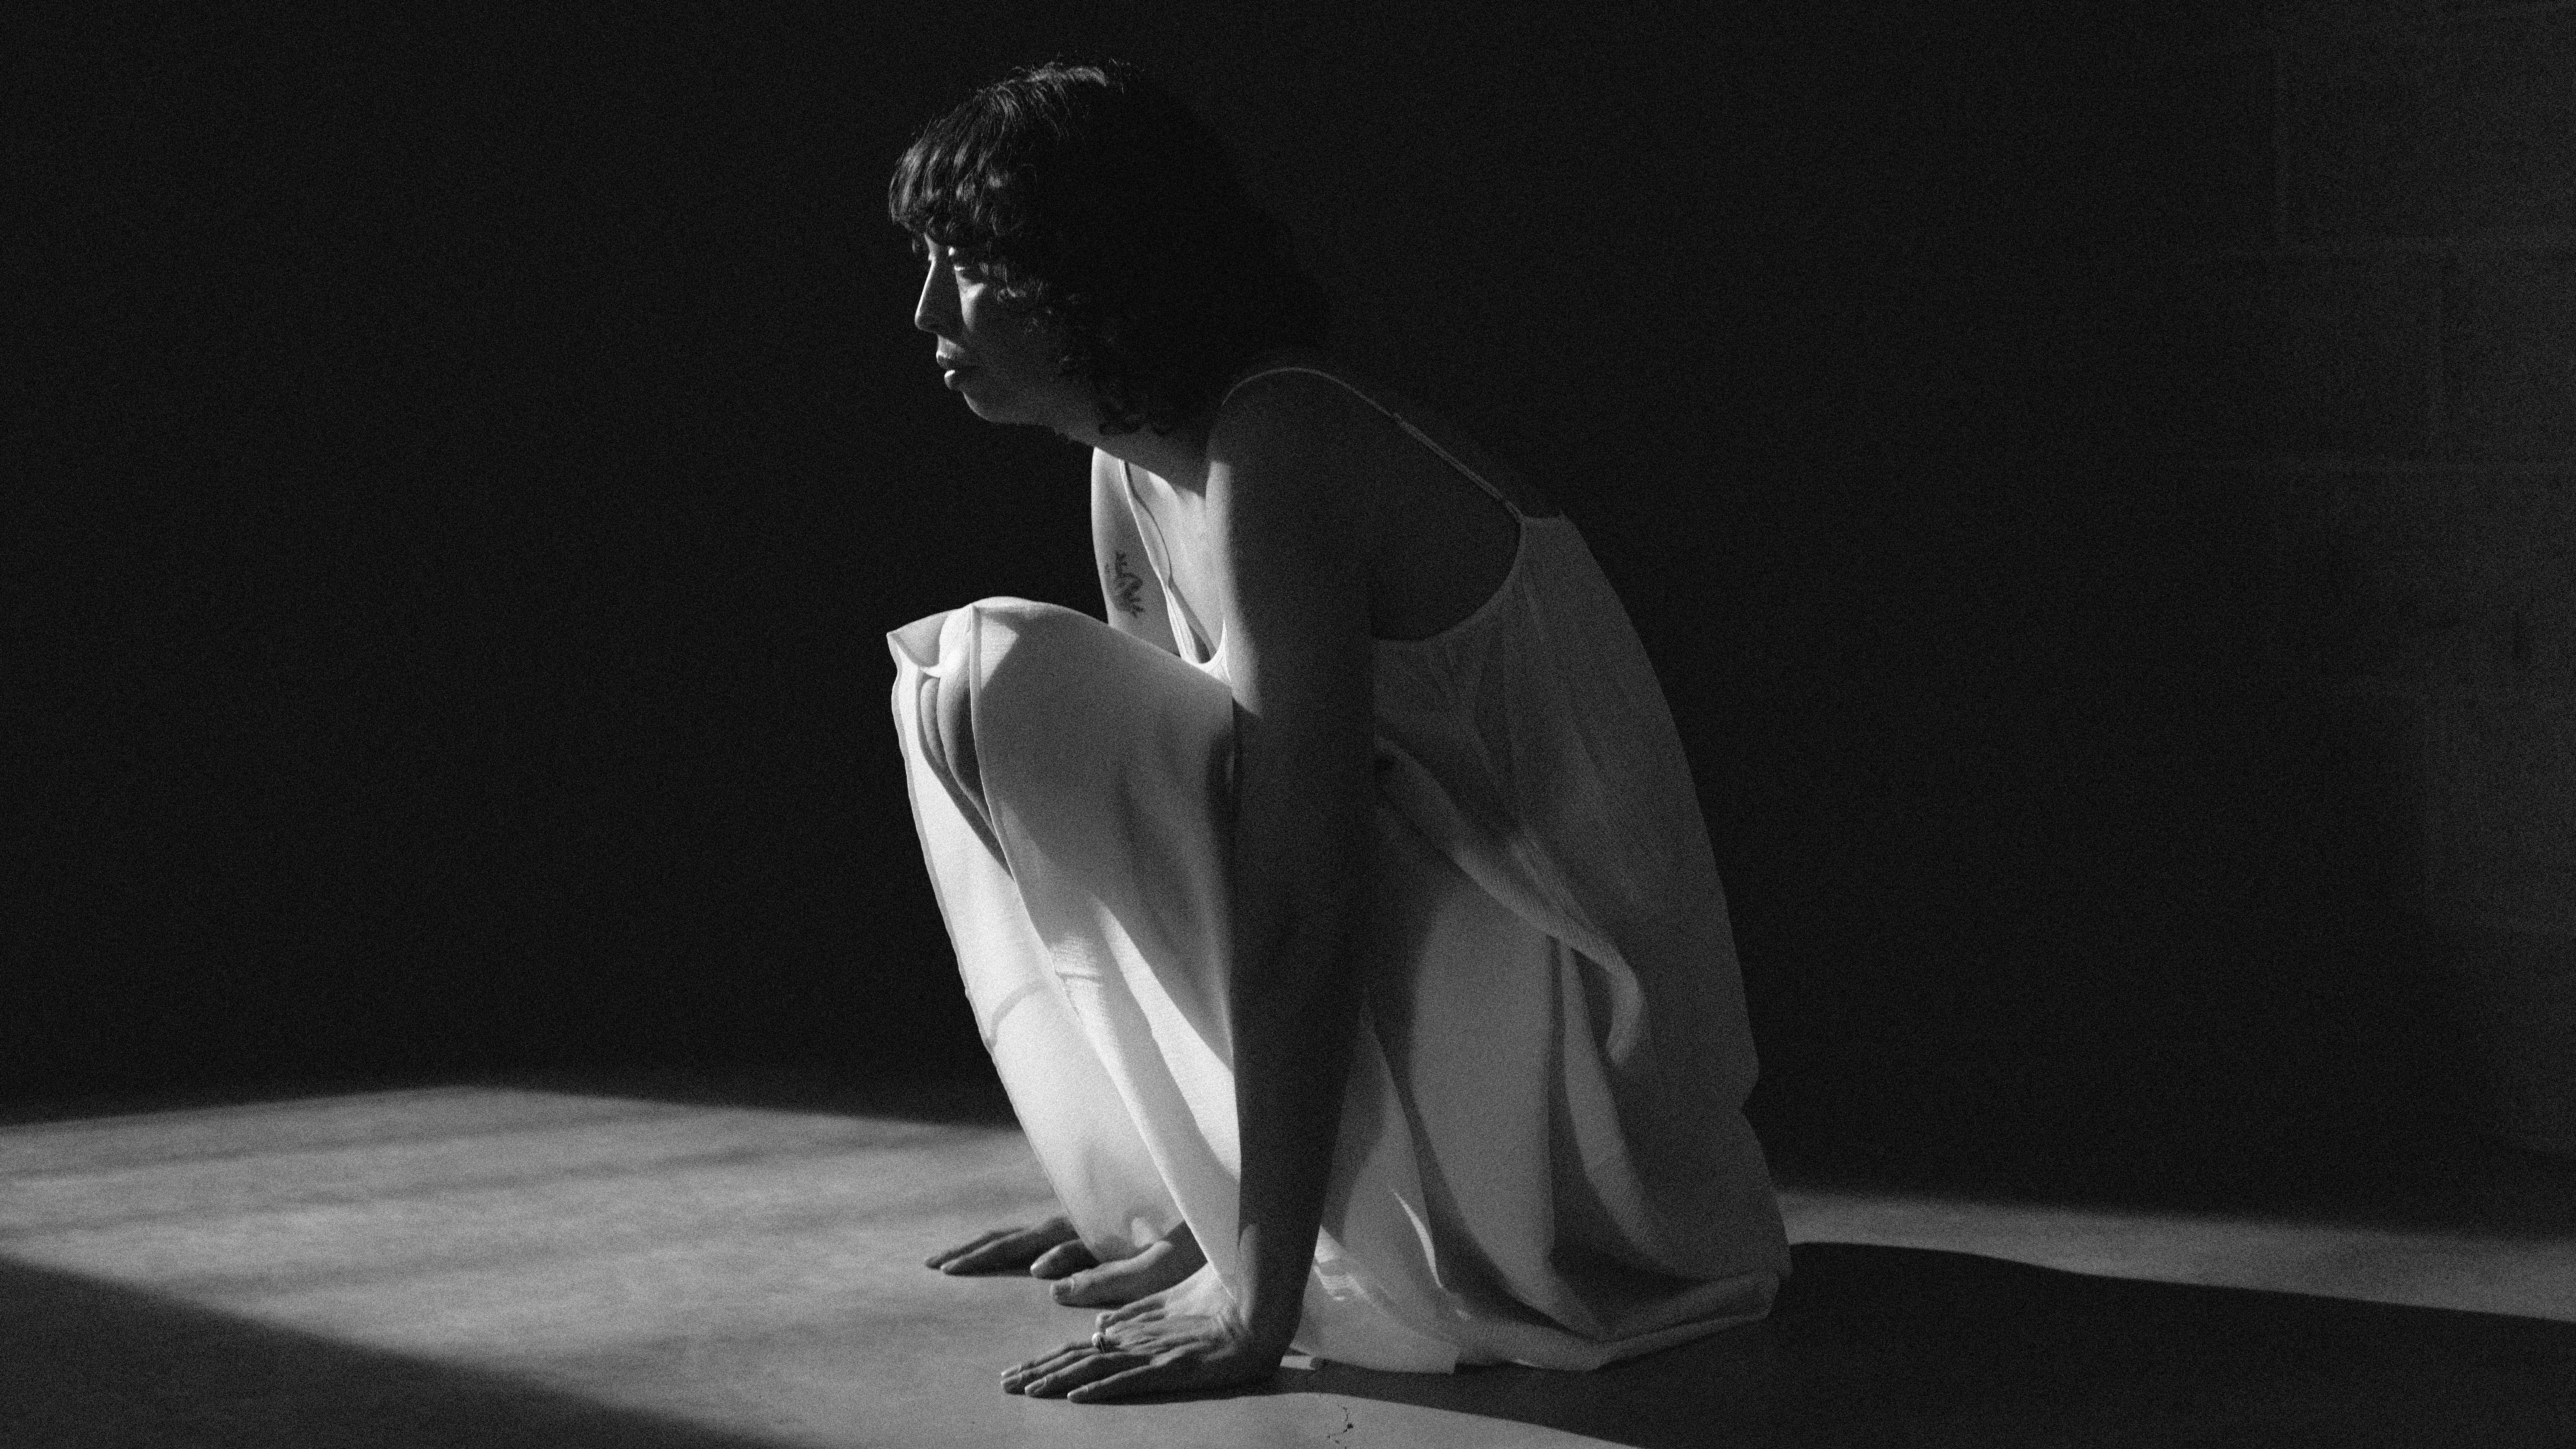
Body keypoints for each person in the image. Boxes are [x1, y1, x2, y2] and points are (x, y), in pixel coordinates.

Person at [886, 59, 1788, 1404]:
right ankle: (1188, 1199)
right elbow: (1172, 859)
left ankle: (1276, 1235)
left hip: (1586, 1097)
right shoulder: (1130, 467)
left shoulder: (1281, 441)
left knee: (994, 671)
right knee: (955, 692)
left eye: (969, 267)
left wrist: (1259, 1295)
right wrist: (1188, 1209)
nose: (927, 310)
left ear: (1087, 274)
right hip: (1460, 994)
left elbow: (1299, 886)